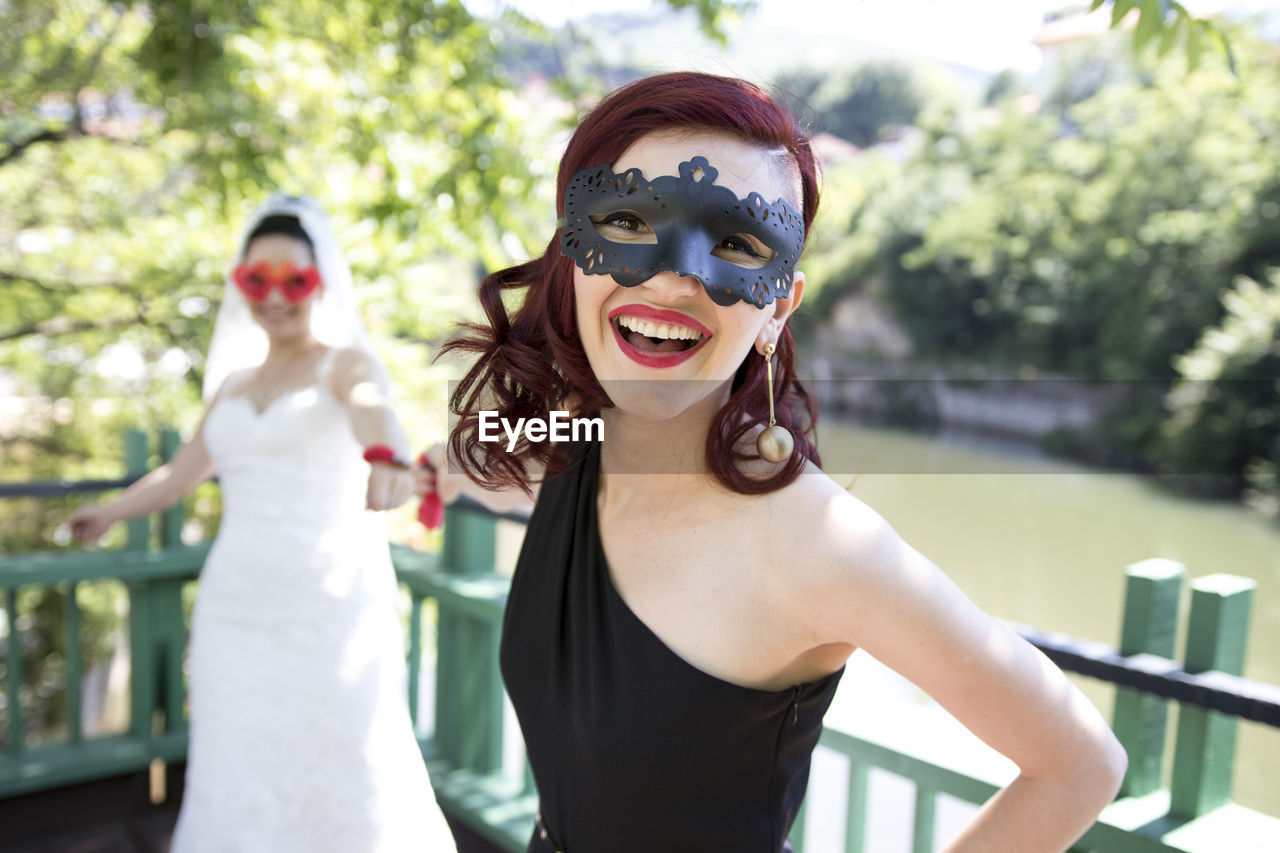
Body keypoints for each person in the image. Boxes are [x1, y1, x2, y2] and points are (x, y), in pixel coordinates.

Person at [421, 72, 1127, 853]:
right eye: (626, 217)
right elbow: (461, 467)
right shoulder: (575, 449)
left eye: (735, 242)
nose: (671, 275)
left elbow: (1080, 764)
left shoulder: (821, 545)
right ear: (573, 252)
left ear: (778, 304)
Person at [69, 194, 457, 852]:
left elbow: (374, 411)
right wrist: (108, 510)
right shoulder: (231, 384)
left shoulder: (347, 364)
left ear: (320, 283)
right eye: (258, 280)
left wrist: (387, 458)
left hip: (329, 606)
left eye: (294, 280)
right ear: (239, 284)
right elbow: (179, 474)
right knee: (237, 745)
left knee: (343, 747)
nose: (275, 297)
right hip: (235, 605)